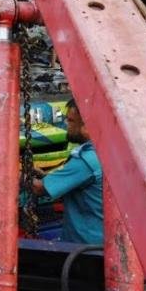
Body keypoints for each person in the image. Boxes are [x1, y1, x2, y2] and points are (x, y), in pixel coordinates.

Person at [31, 100, 102, 244]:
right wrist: (47, 177)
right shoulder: (103, 151)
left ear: (87, 125)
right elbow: (77, 182)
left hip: (84, 246)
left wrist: (12, 173)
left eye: (70, 121)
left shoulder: (86, 161)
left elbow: (38, 188)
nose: (66, 125)